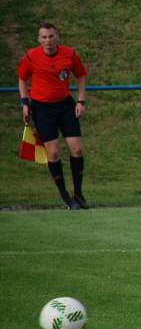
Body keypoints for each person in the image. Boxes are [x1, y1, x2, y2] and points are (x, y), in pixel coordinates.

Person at [17, 23, 90, 210]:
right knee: (54, 153)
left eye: (51, 36)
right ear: (39, 39)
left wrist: (80, 101)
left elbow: (80, 75)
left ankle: (78, 193)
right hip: (42, 109)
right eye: (44, 37)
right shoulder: (31, 57)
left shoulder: (70, 54)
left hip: (65, 106)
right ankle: (66, 196)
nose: (48, 40)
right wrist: (25, 104)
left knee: (77, 150)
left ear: (57, 37)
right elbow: (22, 79)